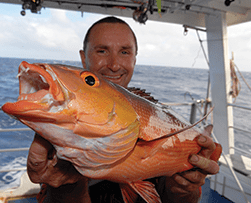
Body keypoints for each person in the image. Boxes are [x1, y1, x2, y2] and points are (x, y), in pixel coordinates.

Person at [27, 16, 220, 203]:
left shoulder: (152, 114)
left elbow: (177, 199)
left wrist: (184, 187)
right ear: (83, 58)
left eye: (125, 52)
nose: (114, 65)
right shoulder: (61, 128)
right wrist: (66, 185)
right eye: (102, 51)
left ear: (134, 59)